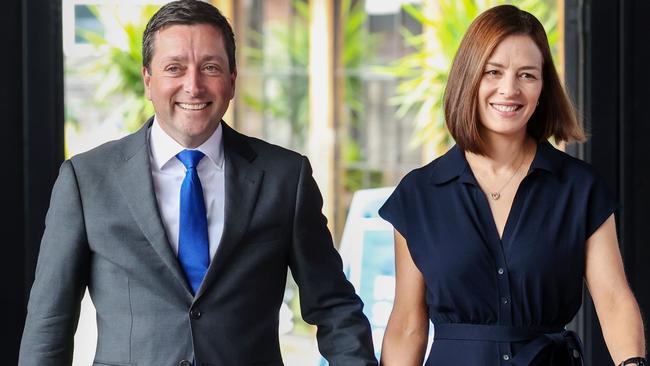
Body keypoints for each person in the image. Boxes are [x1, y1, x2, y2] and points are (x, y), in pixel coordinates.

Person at [19, 1, 377, 365]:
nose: (193, 85)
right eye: (174, 68)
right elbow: (50, 322)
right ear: (148, 79)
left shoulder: (285, 177)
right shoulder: (87, 179)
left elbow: (334, 307)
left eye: (210, 67)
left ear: (232, 80)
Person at [378, 5, 645, 366]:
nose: (510, 89)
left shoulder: (580, 189)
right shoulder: (419, 194)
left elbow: (613, 299)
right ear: (469, 78)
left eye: (527, 75)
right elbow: (407, 324)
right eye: (493, 72)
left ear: (543, 88)